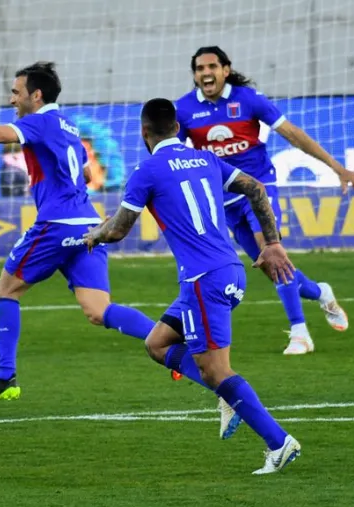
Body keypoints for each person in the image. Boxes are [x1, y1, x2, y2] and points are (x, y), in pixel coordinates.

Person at [84, 98, 301, 474]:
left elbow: (118, 229)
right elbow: (257, 189)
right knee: (157, 343)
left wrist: (94, 236)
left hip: (204, 281)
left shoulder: (146, 170)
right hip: (230, 271)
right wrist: (273, 242)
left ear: (144, 132)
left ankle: (278, 441)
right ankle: (227, 394)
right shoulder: (206, 160)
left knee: (217, 371)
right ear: (178, 128)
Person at [0, 61, 157, 404]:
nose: (12, 100)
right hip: (87, 225)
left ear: (36, 96)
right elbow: (82, 176)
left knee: (5, 290)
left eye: (16, 93)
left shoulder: (38, 122)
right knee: (98, 310)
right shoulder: (69, 127)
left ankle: (6, 376)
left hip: (55, 226)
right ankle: (166, 339)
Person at [175, 46, 354, 355]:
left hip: (259, 190)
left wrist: (337, 167)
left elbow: (293, 134)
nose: (205, 73)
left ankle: (300, 333)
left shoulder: (248, 100)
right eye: (199, 68)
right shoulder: (184, 109)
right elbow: (173, 153)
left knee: (271, 253)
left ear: (225, 69)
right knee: (269, 266)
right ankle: (320, 292)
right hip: (224, 201)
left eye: (211, 66)